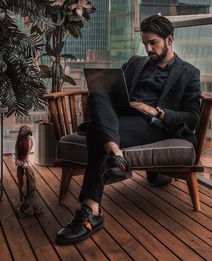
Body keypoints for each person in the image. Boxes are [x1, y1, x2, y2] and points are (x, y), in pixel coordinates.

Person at [56, 14, 201, 246]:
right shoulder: (136, 62)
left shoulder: (189, 73)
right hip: (121, 119)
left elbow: (192, 117)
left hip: (152, 125)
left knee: (96, 131)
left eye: (153, 43)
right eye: (145, 44)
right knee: (98, 93)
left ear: (169, 39)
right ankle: (116, 155)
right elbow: (114, 92)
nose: (149, 49)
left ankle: (90, 210)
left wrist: (157, 111)